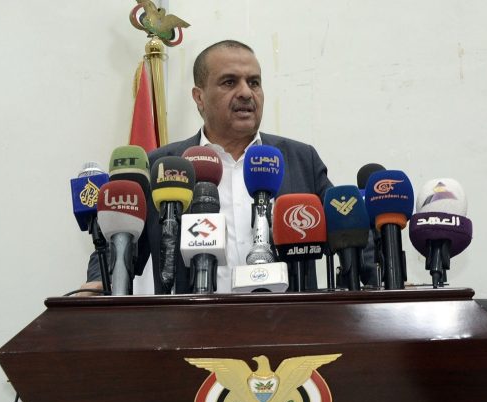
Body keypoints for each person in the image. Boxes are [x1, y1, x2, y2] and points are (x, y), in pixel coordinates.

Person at [83, 40, 332, 294]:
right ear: (199, 97)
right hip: (190, 317)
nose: (246, 93)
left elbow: (346, 233)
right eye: (230, 82)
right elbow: (119, 242)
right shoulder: (160, 167)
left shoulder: (301, 160)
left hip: (288, 317)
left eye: (254, 82)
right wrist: (97, 283)